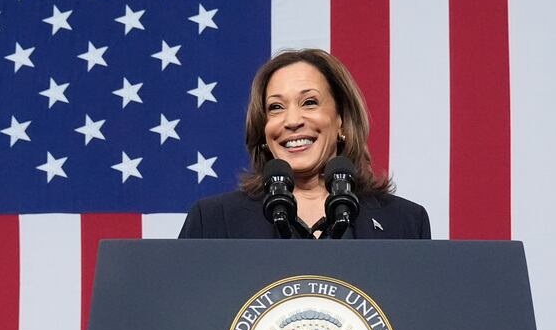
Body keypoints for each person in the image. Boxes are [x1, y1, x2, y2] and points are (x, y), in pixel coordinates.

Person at [179, 48, 431, 239]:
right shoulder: (212, 221)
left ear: (341, 120)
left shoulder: (405, 222)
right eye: (275, 107)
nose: (292, 120)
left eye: (309, 102)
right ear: (263, 129)